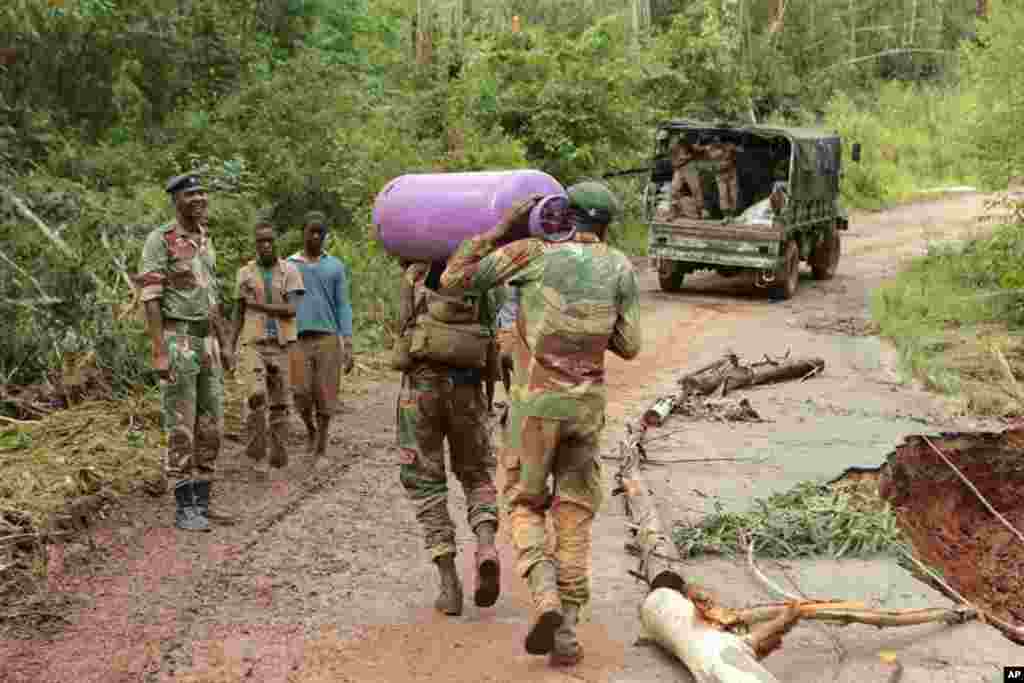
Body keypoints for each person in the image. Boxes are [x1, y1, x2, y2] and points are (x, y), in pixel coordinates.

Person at [441, 181, 642, 666]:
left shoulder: (531, 254)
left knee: (524, 502)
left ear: (563, 215)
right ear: (607, 225)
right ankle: (568, 631)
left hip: (534, 410)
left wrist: (499, 228)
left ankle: (545, 596)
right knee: (573, 513)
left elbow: (453, 279)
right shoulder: (620, 267)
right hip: (584, 412)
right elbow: (630, 344)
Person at [394, 259, 500, 617]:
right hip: (467, 389)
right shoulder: (481, 278)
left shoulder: (415, 275)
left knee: (425, 482)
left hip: (421, 390)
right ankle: (486, 546)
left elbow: (403, 328)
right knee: (477, 474)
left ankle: (449, 584)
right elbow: (492, 336)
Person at [136, 173, 235, 532]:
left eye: (202, 193)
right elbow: (151, 299)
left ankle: (204, 502)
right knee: (181, 425)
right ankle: (184, 506)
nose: (199, 198)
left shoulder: (206, 239)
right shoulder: (160, 240)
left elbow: (213, 297)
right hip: (179, 339)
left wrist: (224, 343)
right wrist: (159, 351)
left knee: (212, 425)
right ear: (175, 199)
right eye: (191, 194)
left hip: (207, 341)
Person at [231, 222, 305, 473]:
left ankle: (278, 455)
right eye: (260, 241)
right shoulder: (244, 273)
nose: (265, 246)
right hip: (254, 343)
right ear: (255, 244)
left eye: (269, 241)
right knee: (256, 397)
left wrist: (259, 305)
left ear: (276, 243)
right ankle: (256, 454)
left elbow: (291, 310)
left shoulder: (290, 271)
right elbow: (238, 311)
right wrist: (229, 347)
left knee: (280, 403)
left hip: (283, 344)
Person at [287, 211, 354, 463]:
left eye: (320, 233)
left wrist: (347, 341)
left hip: (327, 337)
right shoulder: (289, 265)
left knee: (326, 394)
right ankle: (309, 429)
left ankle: (322, 444)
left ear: (325, 236)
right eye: (311, 231)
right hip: (297, 339)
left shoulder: (335, 266)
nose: (315, 237)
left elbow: (342, 305)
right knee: (300, 392)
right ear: (302, 233)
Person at [668, 138, 706, 220]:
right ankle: (673, 211)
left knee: (696, 188)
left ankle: (701, 210)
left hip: (689, 168)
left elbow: (698, 150)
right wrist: (684, 160)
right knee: (674, 188)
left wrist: (692, 155)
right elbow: (673, 162)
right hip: (679, 169)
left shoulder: (687, 145)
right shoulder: (672, 148)